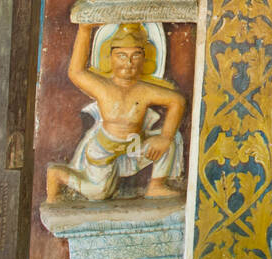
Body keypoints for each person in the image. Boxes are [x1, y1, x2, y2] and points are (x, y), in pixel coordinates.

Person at [47, 22, 186, 202]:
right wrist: (84, 29)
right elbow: (76, 72)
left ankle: (156, 185)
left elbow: (177, 101)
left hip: (133, 148)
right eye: (121, 56)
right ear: (109, 58)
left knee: (171, 141)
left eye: (136, 56)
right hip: (104, 150)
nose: (128, 63)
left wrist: (165, 137)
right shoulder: (103, 87)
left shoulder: (145, 91)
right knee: (98, 193)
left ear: (145, 59)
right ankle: (58, 175)